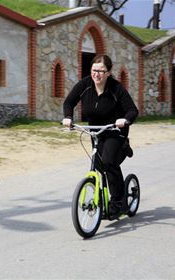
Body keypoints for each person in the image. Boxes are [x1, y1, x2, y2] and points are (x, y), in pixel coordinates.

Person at [62, 54, 138, 218]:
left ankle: (117, 201)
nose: (97, 74)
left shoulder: (116, 88)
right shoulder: (85, 85)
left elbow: (132, 110)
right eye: (94, 70)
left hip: (115, 131)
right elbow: (69, 102)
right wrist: (68, 117)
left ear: (109, 72)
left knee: (109, 161)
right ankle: (102, 200)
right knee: (98, 165)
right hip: (95, 131)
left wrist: (125, 120)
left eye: (101, 71)